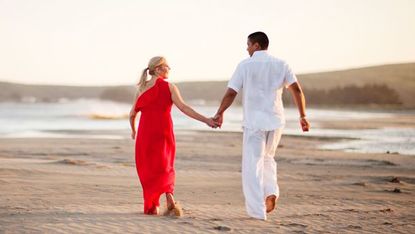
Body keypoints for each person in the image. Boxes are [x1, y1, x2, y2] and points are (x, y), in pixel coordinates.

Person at [213, 32, 310, 220]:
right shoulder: (282, 64)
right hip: (276, 120)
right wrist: (303, 115)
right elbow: (297, 90)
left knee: (252, 165)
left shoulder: (245, 65)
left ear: (256, 45)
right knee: (268, 158)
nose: (247, 48)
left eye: (248, 44)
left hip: (254, 122)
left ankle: (258, 211)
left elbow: (231, 92)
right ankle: (270, 191)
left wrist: (220, 112)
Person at [129, 56, 218, 216]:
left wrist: (133, 130)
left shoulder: (141, 89)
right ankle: (169, 194)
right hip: (163, 132)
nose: (169, 69)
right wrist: (206, 120)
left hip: (145, 134)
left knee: (148, 168)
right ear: (158, 69)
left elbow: (132, 114)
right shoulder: (169, 87)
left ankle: (152, 205)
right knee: (165, 165)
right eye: (167, 66)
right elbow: (184, 108)